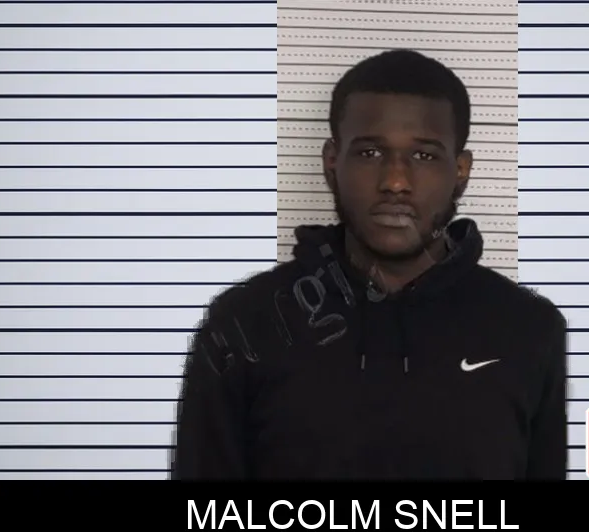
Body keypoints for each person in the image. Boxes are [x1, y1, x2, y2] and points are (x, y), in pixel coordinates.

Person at [171, 49, 568, 480]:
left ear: (460, 170)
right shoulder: (244, 325)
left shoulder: (529, 329)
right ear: (332, 161)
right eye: (370, 152)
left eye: (424, 156)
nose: (395, 182)